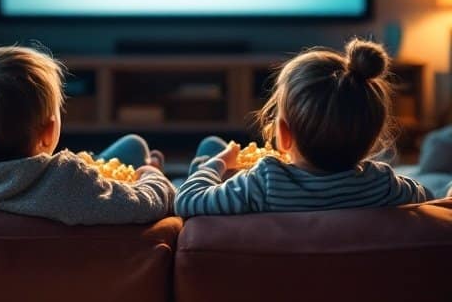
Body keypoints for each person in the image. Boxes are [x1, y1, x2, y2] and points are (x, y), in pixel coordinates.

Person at [0, 45, 176, 225]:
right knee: (138, 149)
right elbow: (148, 204)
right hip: (79, 184)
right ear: (48, 132)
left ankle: (102, 160)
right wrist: (152, 174)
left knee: (132, 145)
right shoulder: (67, 181)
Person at [175, 38, 432, 218]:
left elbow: (187, 201)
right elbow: (430, 199)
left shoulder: (264, 181)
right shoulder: (382, 183)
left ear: (285, 136)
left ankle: (208, 158)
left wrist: (217, 164)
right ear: (373, 137)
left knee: (211, 150)